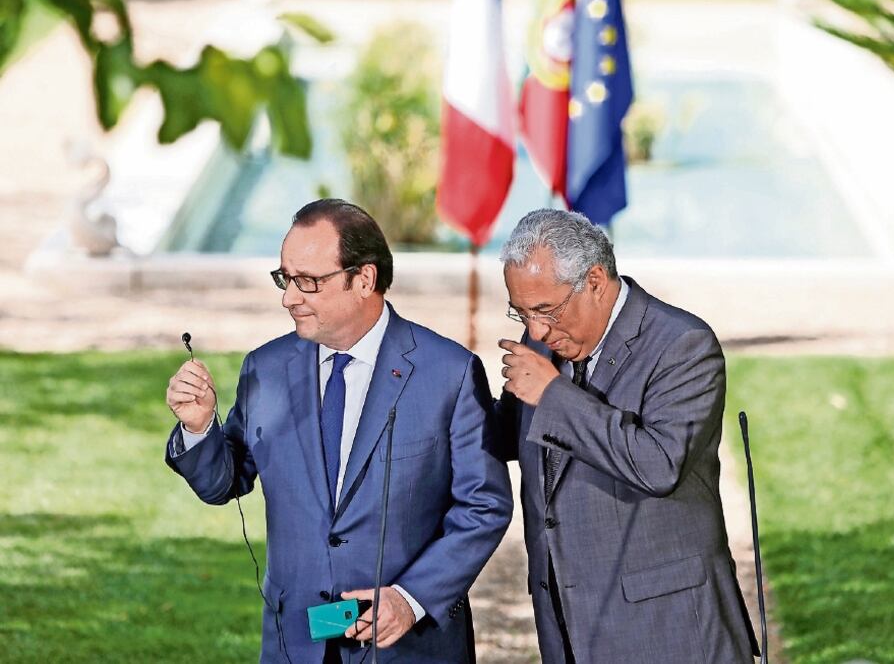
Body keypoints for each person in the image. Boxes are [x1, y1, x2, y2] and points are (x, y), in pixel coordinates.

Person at [165, 199, 513, 664]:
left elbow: (484, 505)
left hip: (407, 647)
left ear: (364, 279)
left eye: (308, 281)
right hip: (297, 642)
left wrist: (409, 600)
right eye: (284, 279)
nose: (290, 297)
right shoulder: (265, 368)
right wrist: (198, 426)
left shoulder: (448, 372)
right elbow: (224, 481)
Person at [496, 208, 759, 663]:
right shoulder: (544, 342)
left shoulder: (683, 344)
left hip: (670, 634)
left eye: (545, 311)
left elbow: (659, 465)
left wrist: (553, 395)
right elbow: (506, 439)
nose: (535, 330)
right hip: (569, 631)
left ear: (595, 281)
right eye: (520, 312)